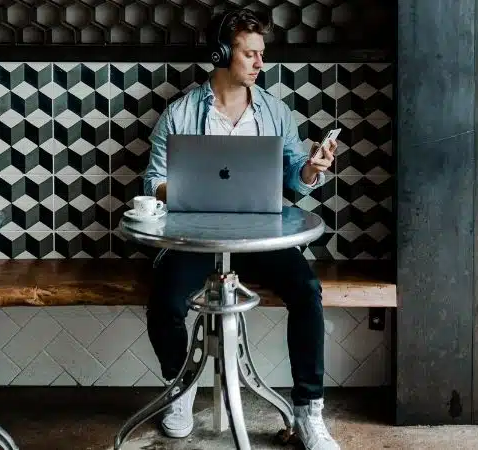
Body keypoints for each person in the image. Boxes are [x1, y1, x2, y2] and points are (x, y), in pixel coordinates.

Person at [141, 7, 340, 450]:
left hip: (261, 237)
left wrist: (310, 170)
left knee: (307, 291)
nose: (259, 63)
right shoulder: (178, 113)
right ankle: (181, 388)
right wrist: (184, 189)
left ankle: (309, 411)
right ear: (221, 53)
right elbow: (152, 182)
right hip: (193, 239)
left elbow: (294, 179)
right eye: (249, 54)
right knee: (165, 301)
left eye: (260, 54)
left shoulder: (275, 112)